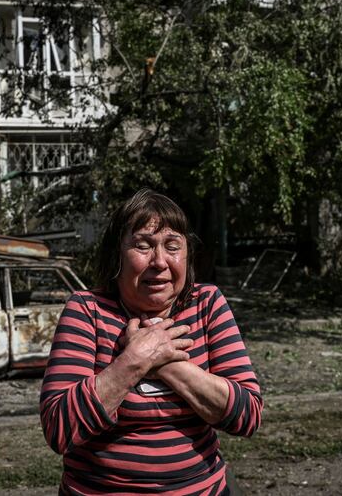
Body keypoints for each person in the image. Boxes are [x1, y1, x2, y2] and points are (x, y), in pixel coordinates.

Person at [40, 189, 263, 495]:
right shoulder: (87, 310)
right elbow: (58, 429)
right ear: (116, 253)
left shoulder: (207, 303)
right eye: (142, 246)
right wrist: (133, 361)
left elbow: (248, 416)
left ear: (187, 255)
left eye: (173, 247)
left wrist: (166, 362)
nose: (159, 261)